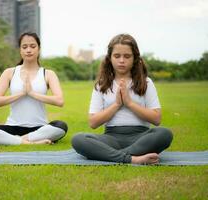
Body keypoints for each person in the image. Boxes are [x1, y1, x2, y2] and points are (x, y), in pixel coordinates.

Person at [72, 34, 173, 165]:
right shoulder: (101, 84)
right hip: (111, 138)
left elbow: (156, 119)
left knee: (164, 134)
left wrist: (129, 103)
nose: (121, 60)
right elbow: (93, 122)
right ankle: (132, 159)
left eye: (127, 56)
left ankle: (111, 156)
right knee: (79, 139)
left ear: (135, 58)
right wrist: (117, 104)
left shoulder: (146, 82)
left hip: (141, 137)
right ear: (110, 58)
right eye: (117, 56)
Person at [0, 32, 68, 145]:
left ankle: (16, 140)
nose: (29, 50)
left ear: (39, 49)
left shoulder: (48, 74)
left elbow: (59, 101)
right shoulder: (9, 73)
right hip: (13, 127)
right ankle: (30, 142)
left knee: (61, 126)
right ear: (20, 50)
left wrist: (32, 93)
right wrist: (22, 93)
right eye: (24, 47)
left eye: (33, 46)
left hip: (40, 128)